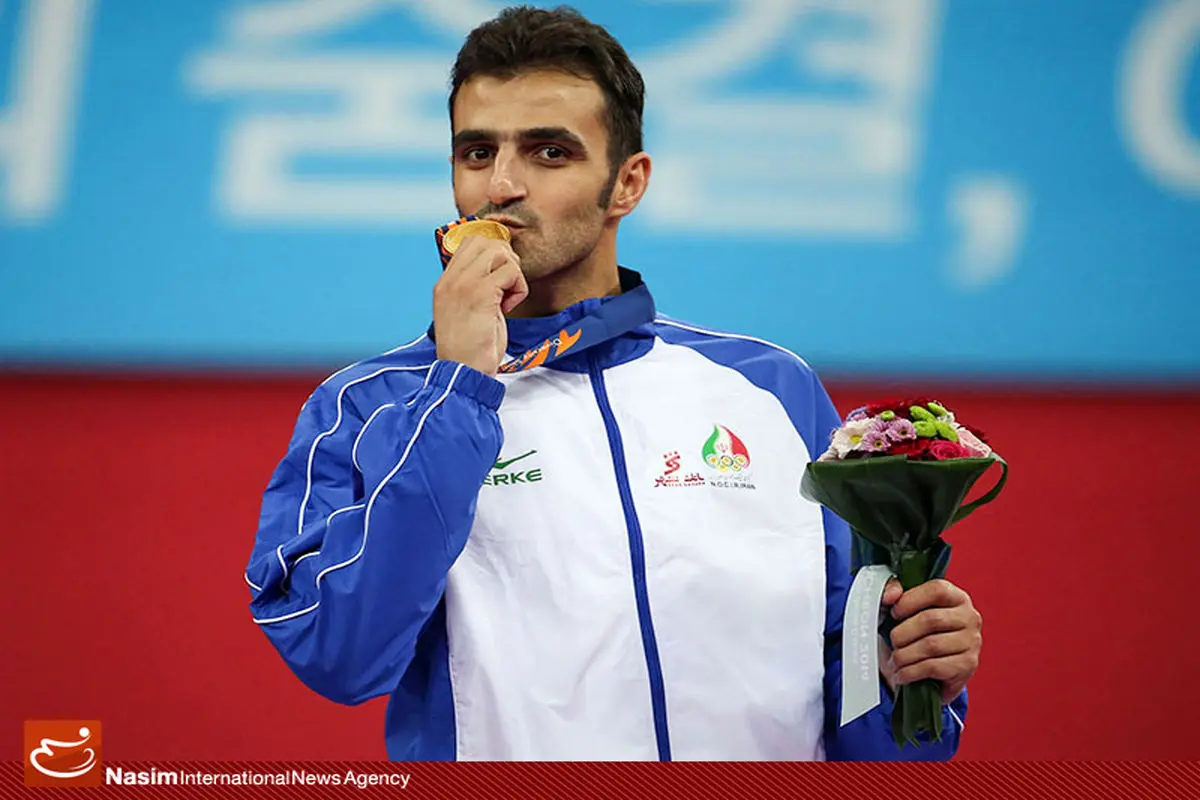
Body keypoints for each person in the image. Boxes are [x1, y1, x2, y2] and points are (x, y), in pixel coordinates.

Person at [244, 5, 983, 761]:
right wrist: (458, 387)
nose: (502, 185)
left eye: (550, 153)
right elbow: (339, 654)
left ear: (627, 183)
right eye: (477, 152)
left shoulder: (770, 390)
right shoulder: (370, 407)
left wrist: (907, 678)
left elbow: (853, 681)